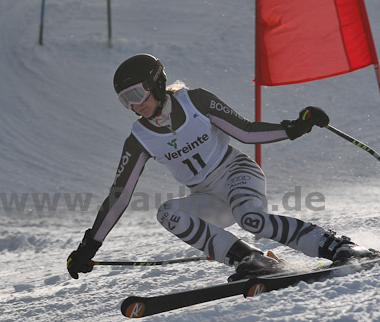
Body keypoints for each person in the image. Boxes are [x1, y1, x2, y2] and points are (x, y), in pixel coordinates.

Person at [67, 53, 377, 281]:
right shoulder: (139, 138)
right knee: (167, 213)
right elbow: (120, 196)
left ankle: (339, 246)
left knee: (252, 219)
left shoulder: (196, 102)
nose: (134, 106)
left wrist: (295, 127)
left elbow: (246, 132)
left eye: (136, 95)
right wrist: (89, 246)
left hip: (237, 174)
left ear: (156, 83)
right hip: (209, 197)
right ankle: (250, 259)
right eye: (125, 101)